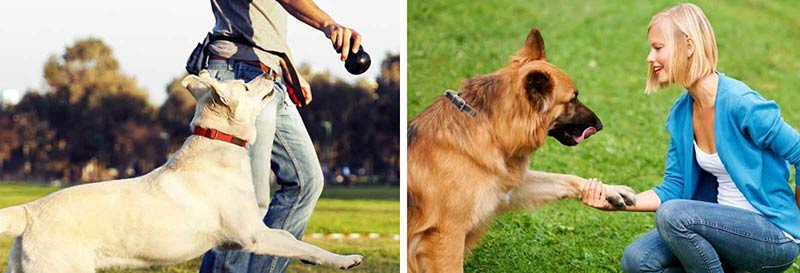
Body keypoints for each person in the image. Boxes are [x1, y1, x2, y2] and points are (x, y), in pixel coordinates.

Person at [581, 3, 800, 273]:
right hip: (719, 228)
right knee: (638, 260)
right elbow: (673, 188)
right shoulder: (682, 114)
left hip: (772, 236)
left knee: (674, 216)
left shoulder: (742, 104)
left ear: (688, 46)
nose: (650, 57)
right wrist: (617, 202)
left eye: (658, 48)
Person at [193, 1, 362, 273]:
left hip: (268, 76)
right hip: (239, 78)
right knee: (246, 205)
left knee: (305, 181)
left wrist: (287, 68)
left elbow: (262, 22)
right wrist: (328, 24)